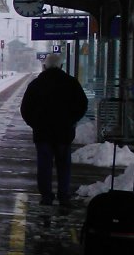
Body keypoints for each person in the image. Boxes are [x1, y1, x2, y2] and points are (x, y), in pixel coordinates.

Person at [19, 53, 88, 205]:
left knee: (44, 165)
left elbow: (25, 109)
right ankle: (63, 195)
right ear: (62, 66)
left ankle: (46, 196)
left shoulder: (36, 84)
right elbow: (82, 104)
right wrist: (72, 121)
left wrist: (35, 124)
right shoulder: (71, 83)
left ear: (45, 66)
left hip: (42, 134)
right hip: (64, 133)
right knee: (64, 165)